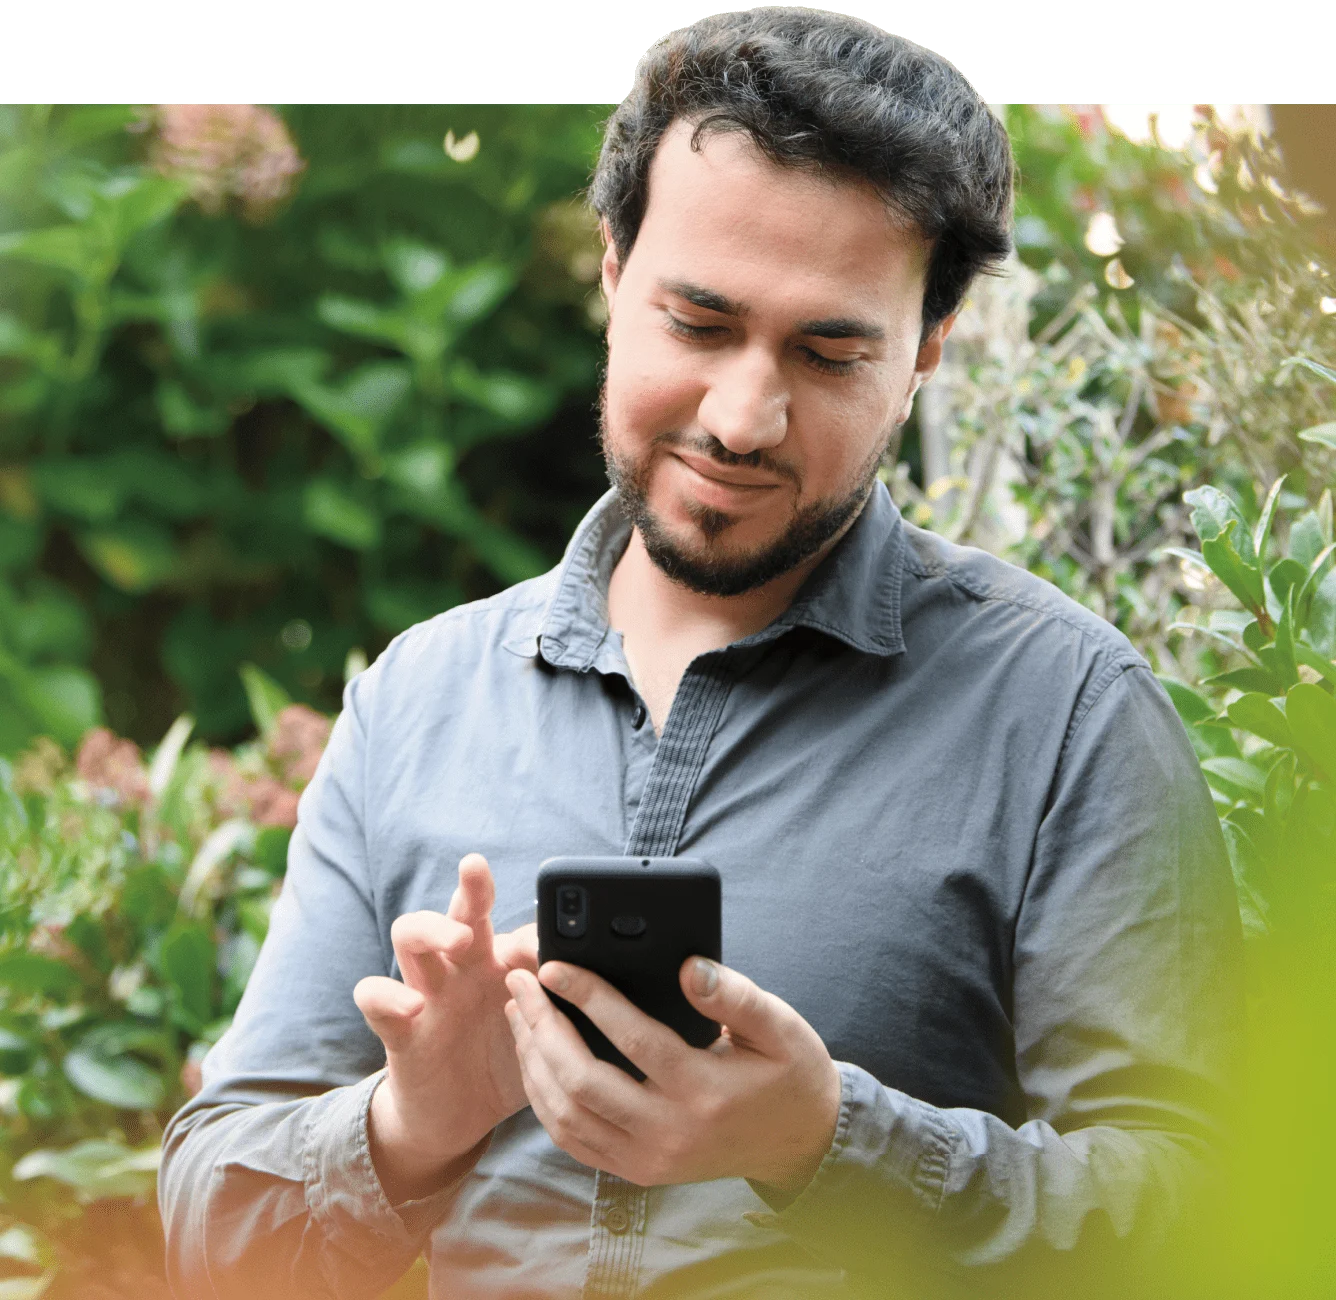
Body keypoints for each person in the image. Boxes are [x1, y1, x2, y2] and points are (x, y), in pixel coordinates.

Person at [158, 10, 1243, 1299]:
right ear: (612, 272)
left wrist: (832, 1147)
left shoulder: (1069, 717)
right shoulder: (416, 702)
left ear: (925, 355)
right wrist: (411, 1128)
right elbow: (206, 1225)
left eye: (831, 350)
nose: (743, 417)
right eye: (700, 321)